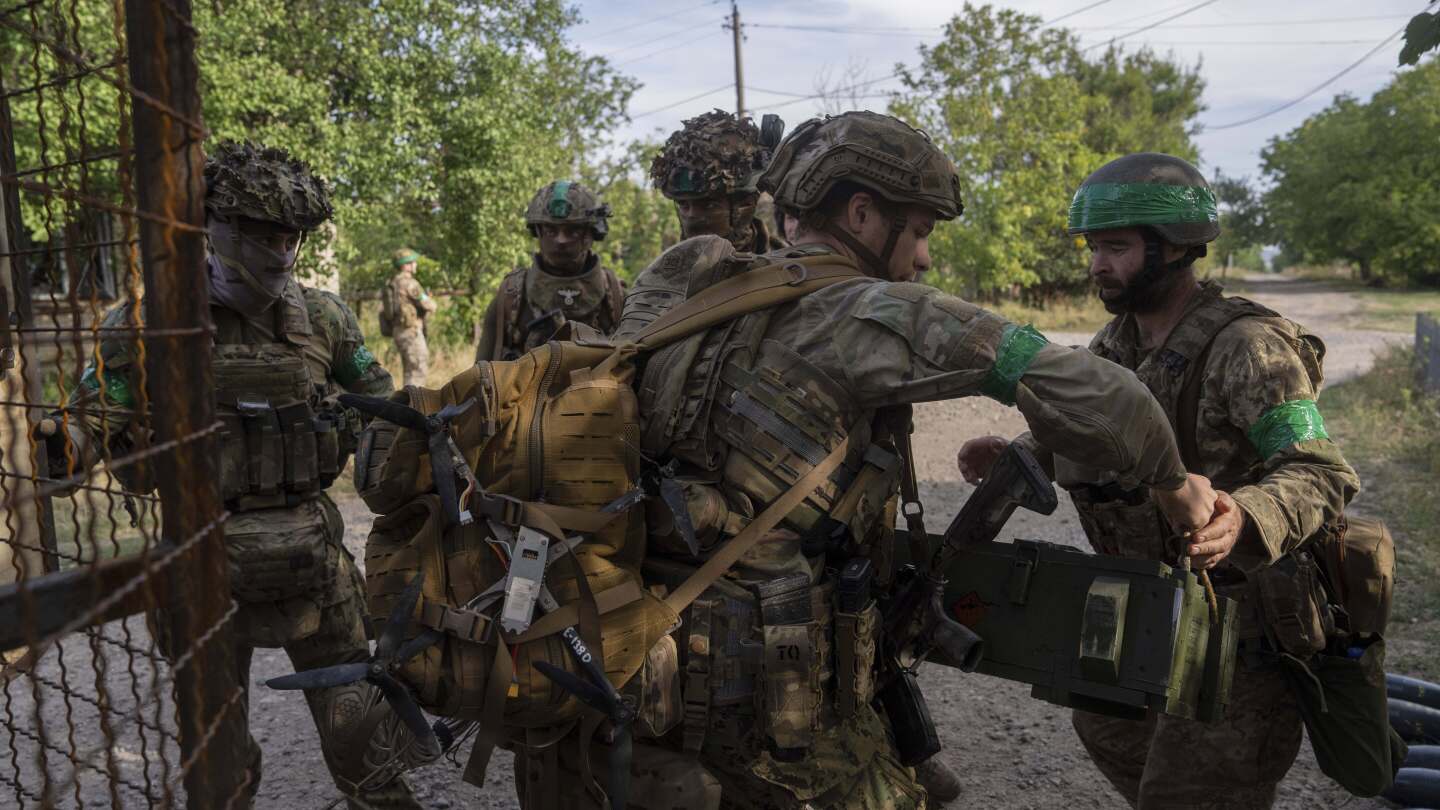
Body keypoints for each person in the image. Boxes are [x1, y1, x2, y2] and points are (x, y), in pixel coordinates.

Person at [584, 112, 1221, 810]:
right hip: (770, 702)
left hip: (634, 665)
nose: (923, 259)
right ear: (861, 214)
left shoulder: (685, 285)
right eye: (918, 232)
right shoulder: (864, 312)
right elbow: (1111, 400)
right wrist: (1173, 486)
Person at [957, 153, 1360, 809]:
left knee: (1193, 790)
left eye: (1115, 248)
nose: (1097, 265)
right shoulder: (1114, 346)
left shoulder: (1249, 346)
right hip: (1142, 608)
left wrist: (1245, 516)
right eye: (1093, 248)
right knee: (1110, 732)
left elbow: (1322, 470)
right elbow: (1093, 427)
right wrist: (1026, 449)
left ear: (1174, 247)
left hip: (1235, 625)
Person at [42, 142, 427, 809]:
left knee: (365, 745)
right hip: (203, 569)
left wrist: (398, 445)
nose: (280, 252)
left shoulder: (324, 317)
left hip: (313, 562)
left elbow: (379, 401)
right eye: (261, 234)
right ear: (216, 228)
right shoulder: (150, 324)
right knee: (219, 765)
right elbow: (93, 419)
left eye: (291, 237)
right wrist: (61, 446)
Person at [474, 180, 623, 361]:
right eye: (550, 230)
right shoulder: (511, 297)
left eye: (573, 231)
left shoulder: (616, 297)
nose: (561, 240)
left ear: (592, 233)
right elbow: (482, 371)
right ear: (537, 231)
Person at [650, 109, 786, 253]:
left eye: (708, 205)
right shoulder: (670, 266)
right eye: (683, 205)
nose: (691, 215)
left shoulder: (788, 264)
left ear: (745, 205)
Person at [384, 247, 437, 387]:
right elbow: (429, 305)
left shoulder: (392, 282)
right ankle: (413, 400)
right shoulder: (410, 283)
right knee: (417, 371)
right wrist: (431, 301)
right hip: (410, 332)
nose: (415, 265)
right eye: (413, 262)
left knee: (409, 371)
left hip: (398, 331)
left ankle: (407, 398)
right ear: (405, 265)